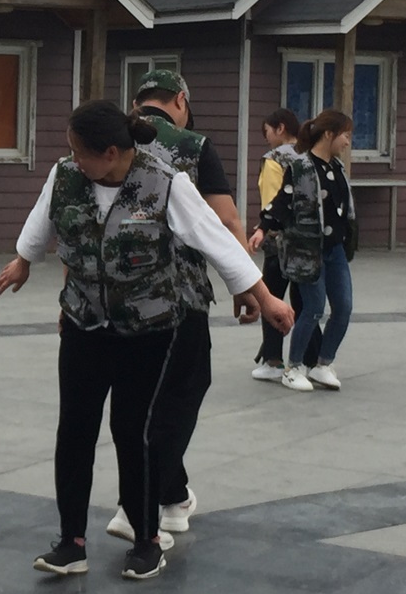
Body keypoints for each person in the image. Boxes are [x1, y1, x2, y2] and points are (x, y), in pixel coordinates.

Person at [0, 101, 293, 580]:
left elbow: (216, 240)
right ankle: (71, 542)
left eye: (80, 152)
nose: (72, 159)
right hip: (84, 324)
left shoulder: (165, 183)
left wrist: (264, 296)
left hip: (146, 331)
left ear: (111, 153)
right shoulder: (66, 175)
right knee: (74, 430)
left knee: (134, 432)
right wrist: (24, 262)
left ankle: (147, 541)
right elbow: (41, 221)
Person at [103, 69, 252, 548]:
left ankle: (172, 497)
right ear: (181, 101)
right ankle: (135, 507)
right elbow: (226, 219)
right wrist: (246, 285)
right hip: (178, 296)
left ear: (137, 103)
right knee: (180, 396)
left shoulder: (108, 141)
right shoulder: (193, 146)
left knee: (138, 404)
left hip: (114, 298)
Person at [248, 109, 357, 393]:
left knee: (344, 307)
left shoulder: (338, 168)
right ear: (329, 134)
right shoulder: (301, 167)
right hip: (306, 250)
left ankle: (323, 364)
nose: (347, 142)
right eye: (345, 135)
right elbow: (281, 202)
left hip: (335, 250)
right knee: (313, 308)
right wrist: (262, 229)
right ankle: (293, 367)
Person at [251, 108, 322, 382]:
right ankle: (313, 360)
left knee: (272, 300)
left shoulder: (274, 159)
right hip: (307, 242)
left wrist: (265, 229)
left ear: (280, 128)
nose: (266, 138)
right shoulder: (309, 156)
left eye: (267, 132)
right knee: (305, 303)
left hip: (279, 243)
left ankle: (273, 360)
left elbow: (273, 200)